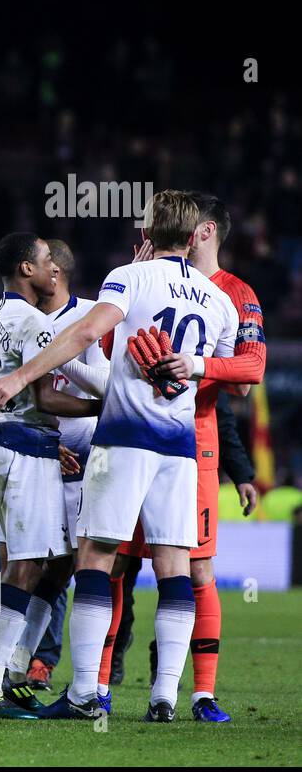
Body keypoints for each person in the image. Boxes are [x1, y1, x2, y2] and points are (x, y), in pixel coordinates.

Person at [0, 190, 240, 722]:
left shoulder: (128, 276)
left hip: (122, 439)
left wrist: (21, 376)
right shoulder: (220, 302)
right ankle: (165, 697)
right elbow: (229, 380)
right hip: (180, 447)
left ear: (148, 234)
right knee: (174, 565)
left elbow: (86, 332)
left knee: (96, 559)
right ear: (195, 238)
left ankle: (82, 696)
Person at [99, 193, 266, 722]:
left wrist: (193, 365)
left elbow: (251, 368)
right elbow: (107, 349)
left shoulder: (236, 294)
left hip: (196, 439)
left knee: (197, 567)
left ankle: (200, 693)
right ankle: (98, 685)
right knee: (117, 560)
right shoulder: (142, 276)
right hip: (134, 432)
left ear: (205, 229)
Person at [0, 233, 99, 720]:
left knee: (57, 562)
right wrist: (110, 405)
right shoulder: (36, 323)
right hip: (26, 448)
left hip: (8, 447)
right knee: (25, 566)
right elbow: (46, 399)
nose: (53, 270)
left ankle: (15, 669)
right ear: (27, 269)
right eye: (46, 262)